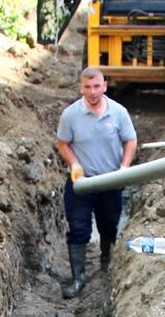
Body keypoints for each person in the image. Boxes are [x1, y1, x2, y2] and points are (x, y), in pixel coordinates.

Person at [55, 67, 138, 298]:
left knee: (109, 225)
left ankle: (105, 264)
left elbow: (130, 140)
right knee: (79, 227)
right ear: (81, 87)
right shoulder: (71, 115)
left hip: (110, 180)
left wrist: (124, 167)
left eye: (97, 86)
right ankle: (78, 277)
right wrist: (75, 164)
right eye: (88, 87)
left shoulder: (118, 113)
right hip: (82, 181)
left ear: (105, 86)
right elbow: (63, 143)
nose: (92, 92)